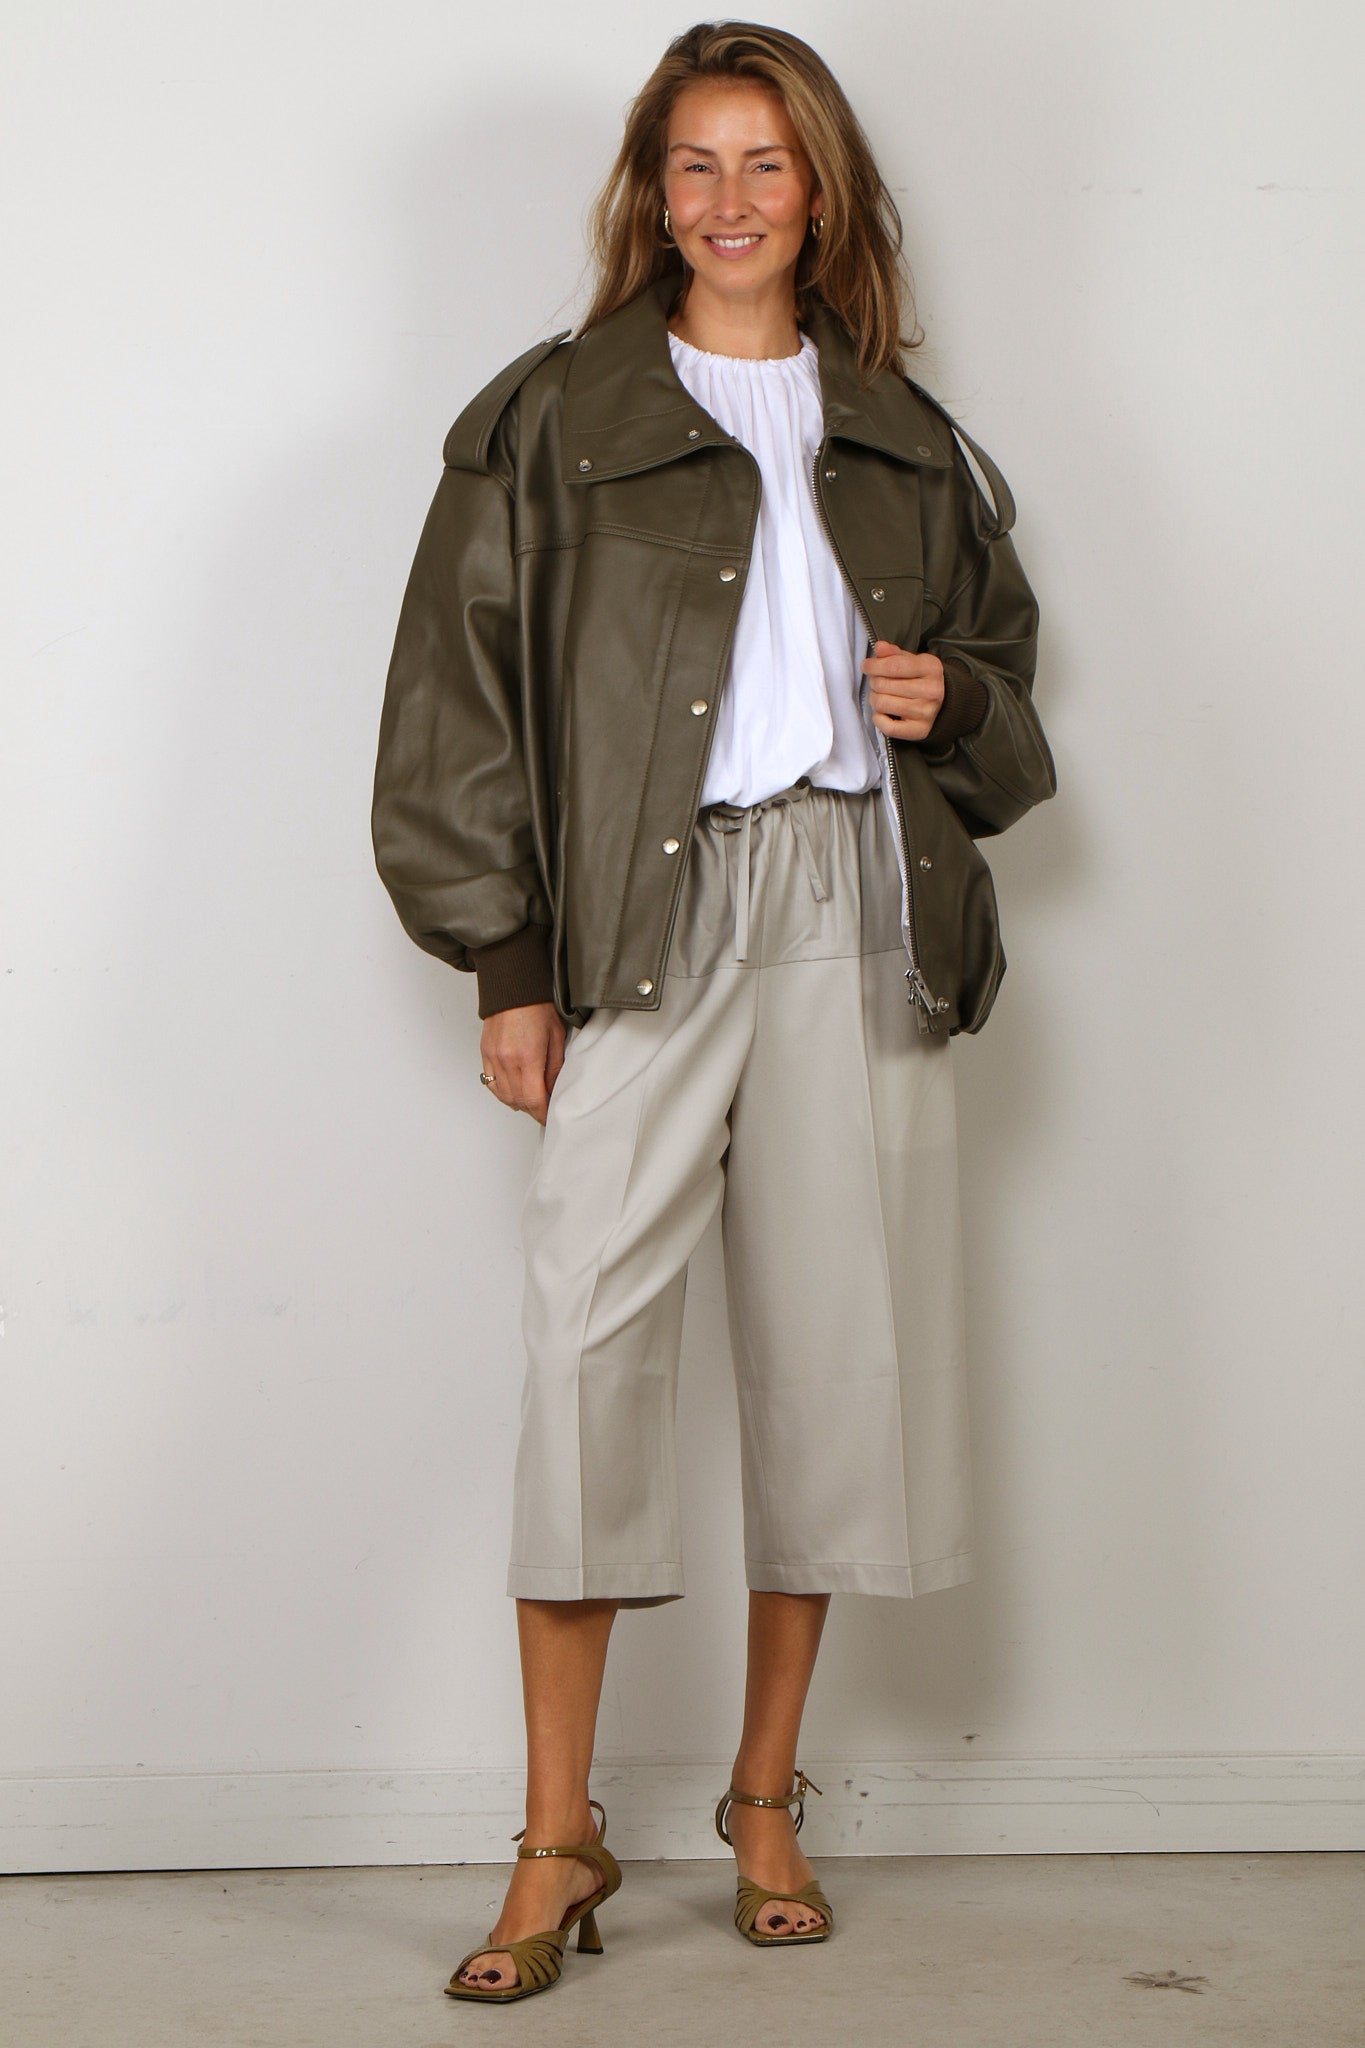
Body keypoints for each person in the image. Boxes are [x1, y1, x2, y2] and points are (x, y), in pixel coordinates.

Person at [371, 19, 1055, 2006]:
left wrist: (954, 702)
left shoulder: (908, 438)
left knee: (833, 1366)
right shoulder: (552, 415)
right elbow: (455, 701)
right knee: (584, 1348)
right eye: (694, 163)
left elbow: (1008, 718)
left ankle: (764, 1799)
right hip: (642, 921)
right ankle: (555, 1835)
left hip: (856, 906)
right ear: (648, 193)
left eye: (766, 162)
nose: (729, 198)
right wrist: (507, 966)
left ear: (818, 192)